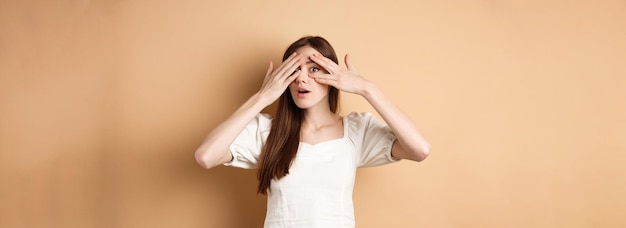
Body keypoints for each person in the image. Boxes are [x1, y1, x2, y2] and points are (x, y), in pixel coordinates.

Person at [195, 36, 431, 228]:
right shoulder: (267, 132)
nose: (301, 78)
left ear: (333, 76)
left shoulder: (356, 131)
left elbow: (419, 149)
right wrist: (262, 97)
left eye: (314, 68)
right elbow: (206, 156)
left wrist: (367, 88)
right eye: (294, 70)